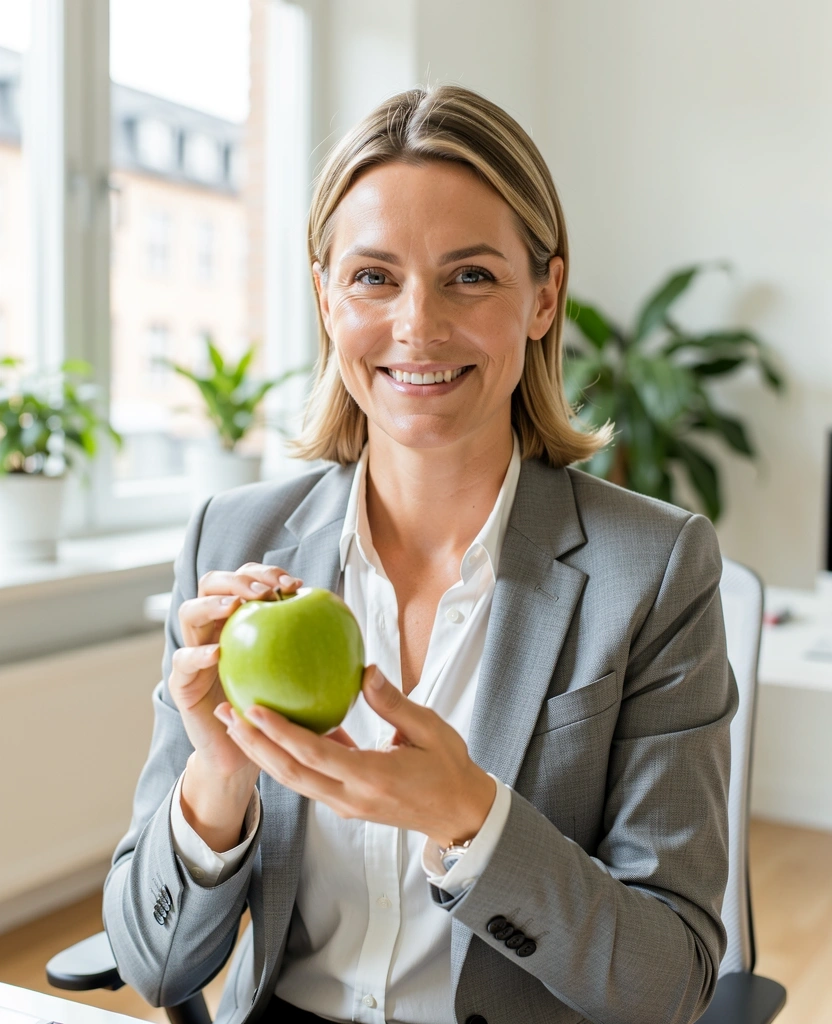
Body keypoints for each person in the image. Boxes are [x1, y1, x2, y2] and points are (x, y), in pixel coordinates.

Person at [103, 84, 737, 1024]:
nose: (417, 326)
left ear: (543, 295)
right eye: (372, 277)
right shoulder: (231, 546)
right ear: (325, 297)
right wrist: (218, 775)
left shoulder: (654, 569)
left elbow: (669, 982)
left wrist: (471, 820)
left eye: (471, 275)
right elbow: (155, 964)